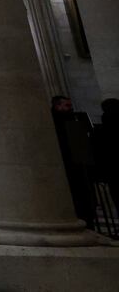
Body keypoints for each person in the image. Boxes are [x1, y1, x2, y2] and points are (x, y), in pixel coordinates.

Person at [51, 95, 97, 227]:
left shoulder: (75, 121)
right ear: (57, 106)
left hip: (79, 164)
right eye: (67, 106)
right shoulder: (54, 122)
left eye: (70, 106)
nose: (70, 109)